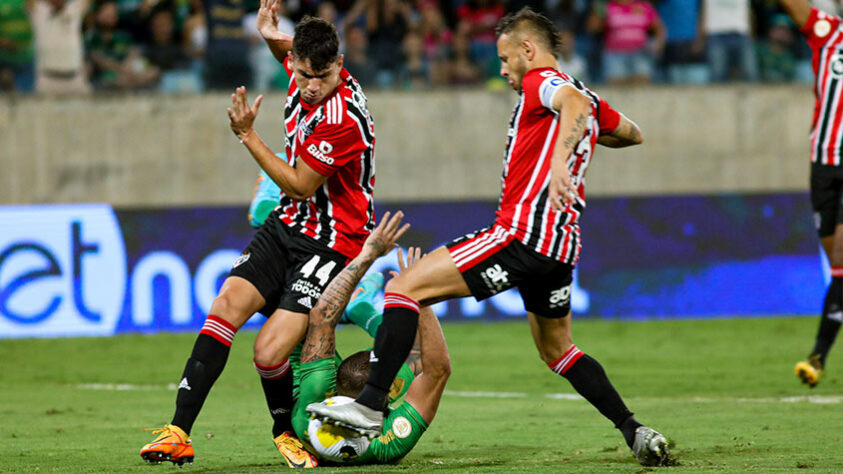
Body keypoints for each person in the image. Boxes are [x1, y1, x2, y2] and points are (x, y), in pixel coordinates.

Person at [309, 7, 672, 467]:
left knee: (403, 288)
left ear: (527, 50)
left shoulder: (545, 82)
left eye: (505, 58)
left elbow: (575, 109)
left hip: (521, 233)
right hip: (560, 247)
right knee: (557, 350)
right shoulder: (585, 98)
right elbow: (632, 133)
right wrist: (581, 135)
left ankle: (370, 404)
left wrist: (560, 161)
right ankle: (634, 429)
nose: (502, 69)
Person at [140, 4, 377, 466]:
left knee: (268, 351)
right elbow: (289, 51)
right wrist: (270, 33)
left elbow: (299, 183)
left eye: (323, 77)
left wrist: (248, 136)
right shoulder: (302, 68)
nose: (312, 86)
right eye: (305, 74)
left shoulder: (342, 117)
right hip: (289, 224)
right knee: (225, 306)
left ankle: (285, 431)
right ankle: (178, 431)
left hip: (333, 241)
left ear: (340, 66)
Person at [301, 244, 450, 465]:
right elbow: (438, 369)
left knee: (302, 327)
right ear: (388, 390)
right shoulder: (386, 446)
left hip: (305, 369)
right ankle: (362, 311)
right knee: (416, 351)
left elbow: (316, 320)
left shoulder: (309, 404)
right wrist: (420, 295)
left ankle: (354, 309)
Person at [780, 0, 843, 388]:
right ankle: (818, 357)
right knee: (838, 269)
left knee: (840, 262)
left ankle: (817, 356)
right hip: (823, 165)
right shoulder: (827, 32)